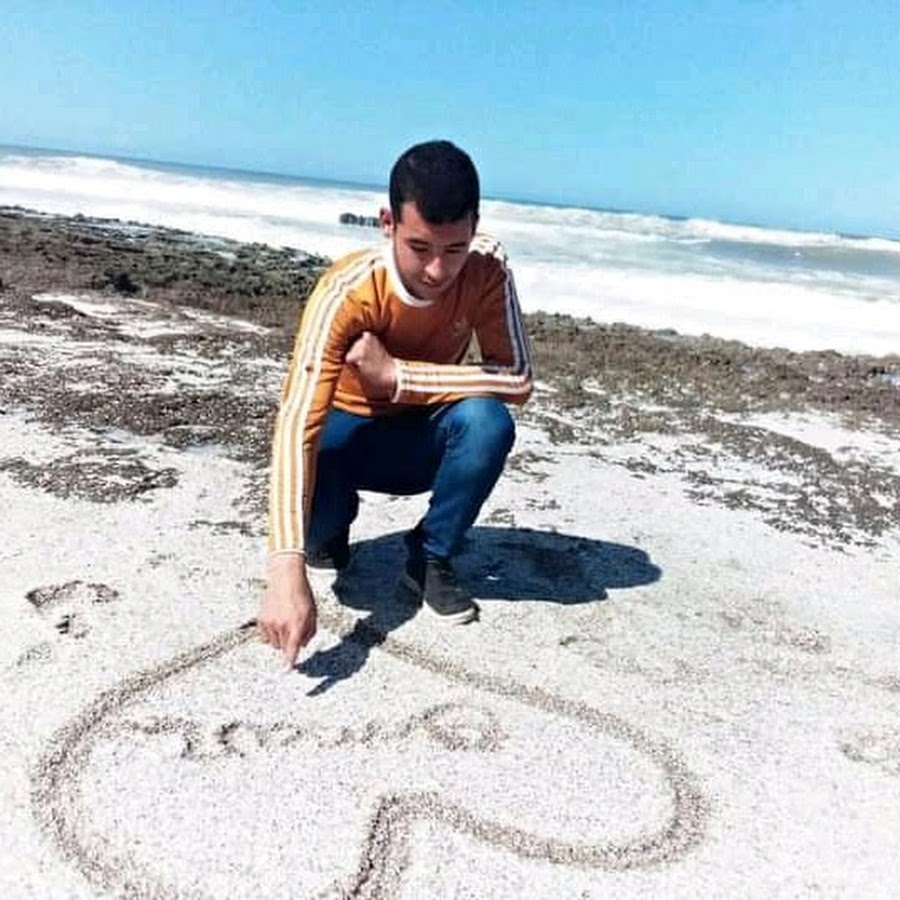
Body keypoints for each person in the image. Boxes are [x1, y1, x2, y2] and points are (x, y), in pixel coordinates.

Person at [258, 140, 533, 667]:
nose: (437, 270)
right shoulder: (348, 289)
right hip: (343, 443)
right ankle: (327, 533)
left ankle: (430, 555)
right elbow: (296, 426)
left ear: (475, 227)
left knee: (487, 420)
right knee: (318, 538)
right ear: (387, 224)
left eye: (454, 249)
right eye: (420, 247)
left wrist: (396, 376)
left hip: (422, 438)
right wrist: (284, 570)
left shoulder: (488, 266)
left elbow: (518, 378)